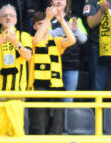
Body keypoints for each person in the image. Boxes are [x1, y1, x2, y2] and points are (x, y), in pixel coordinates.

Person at [0, 4, 32, 135]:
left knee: (16, 132)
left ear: (16, 19)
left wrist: (16, 43)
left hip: (17, 93)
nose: (8, 18)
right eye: (4, 15)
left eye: (11, 15)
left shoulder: (24, 36)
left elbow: (28, 56)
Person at [28, 7, 75, 135]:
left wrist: (62, 21)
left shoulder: (56, 42)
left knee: (56, 126)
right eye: (40, 24)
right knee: (38, 126)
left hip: (56, 88)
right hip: (37, 89)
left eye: (46, 23)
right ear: (34, 26)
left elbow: (72, 40)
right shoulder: (30, 41)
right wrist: (48, 18)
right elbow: (36, 41)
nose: (45, 26)